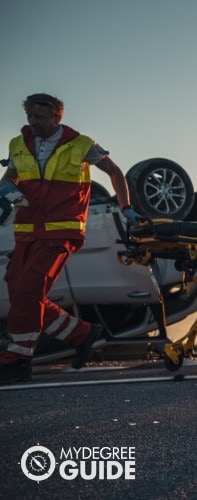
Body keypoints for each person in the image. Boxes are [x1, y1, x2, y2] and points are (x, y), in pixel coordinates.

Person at [0, 93, 141, 384]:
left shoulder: (82, 144)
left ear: (57, 117)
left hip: (62, 231)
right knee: (20, 294)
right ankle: (83, 333)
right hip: (27, 231)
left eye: (39, 117)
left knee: (28, 291)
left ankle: (16, 360)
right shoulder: (17, 144)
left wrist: (126, 207)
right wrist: (7, 191)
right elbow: (9, 177)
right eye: (29, 116)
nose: (33, 122)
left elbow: (114, 172)